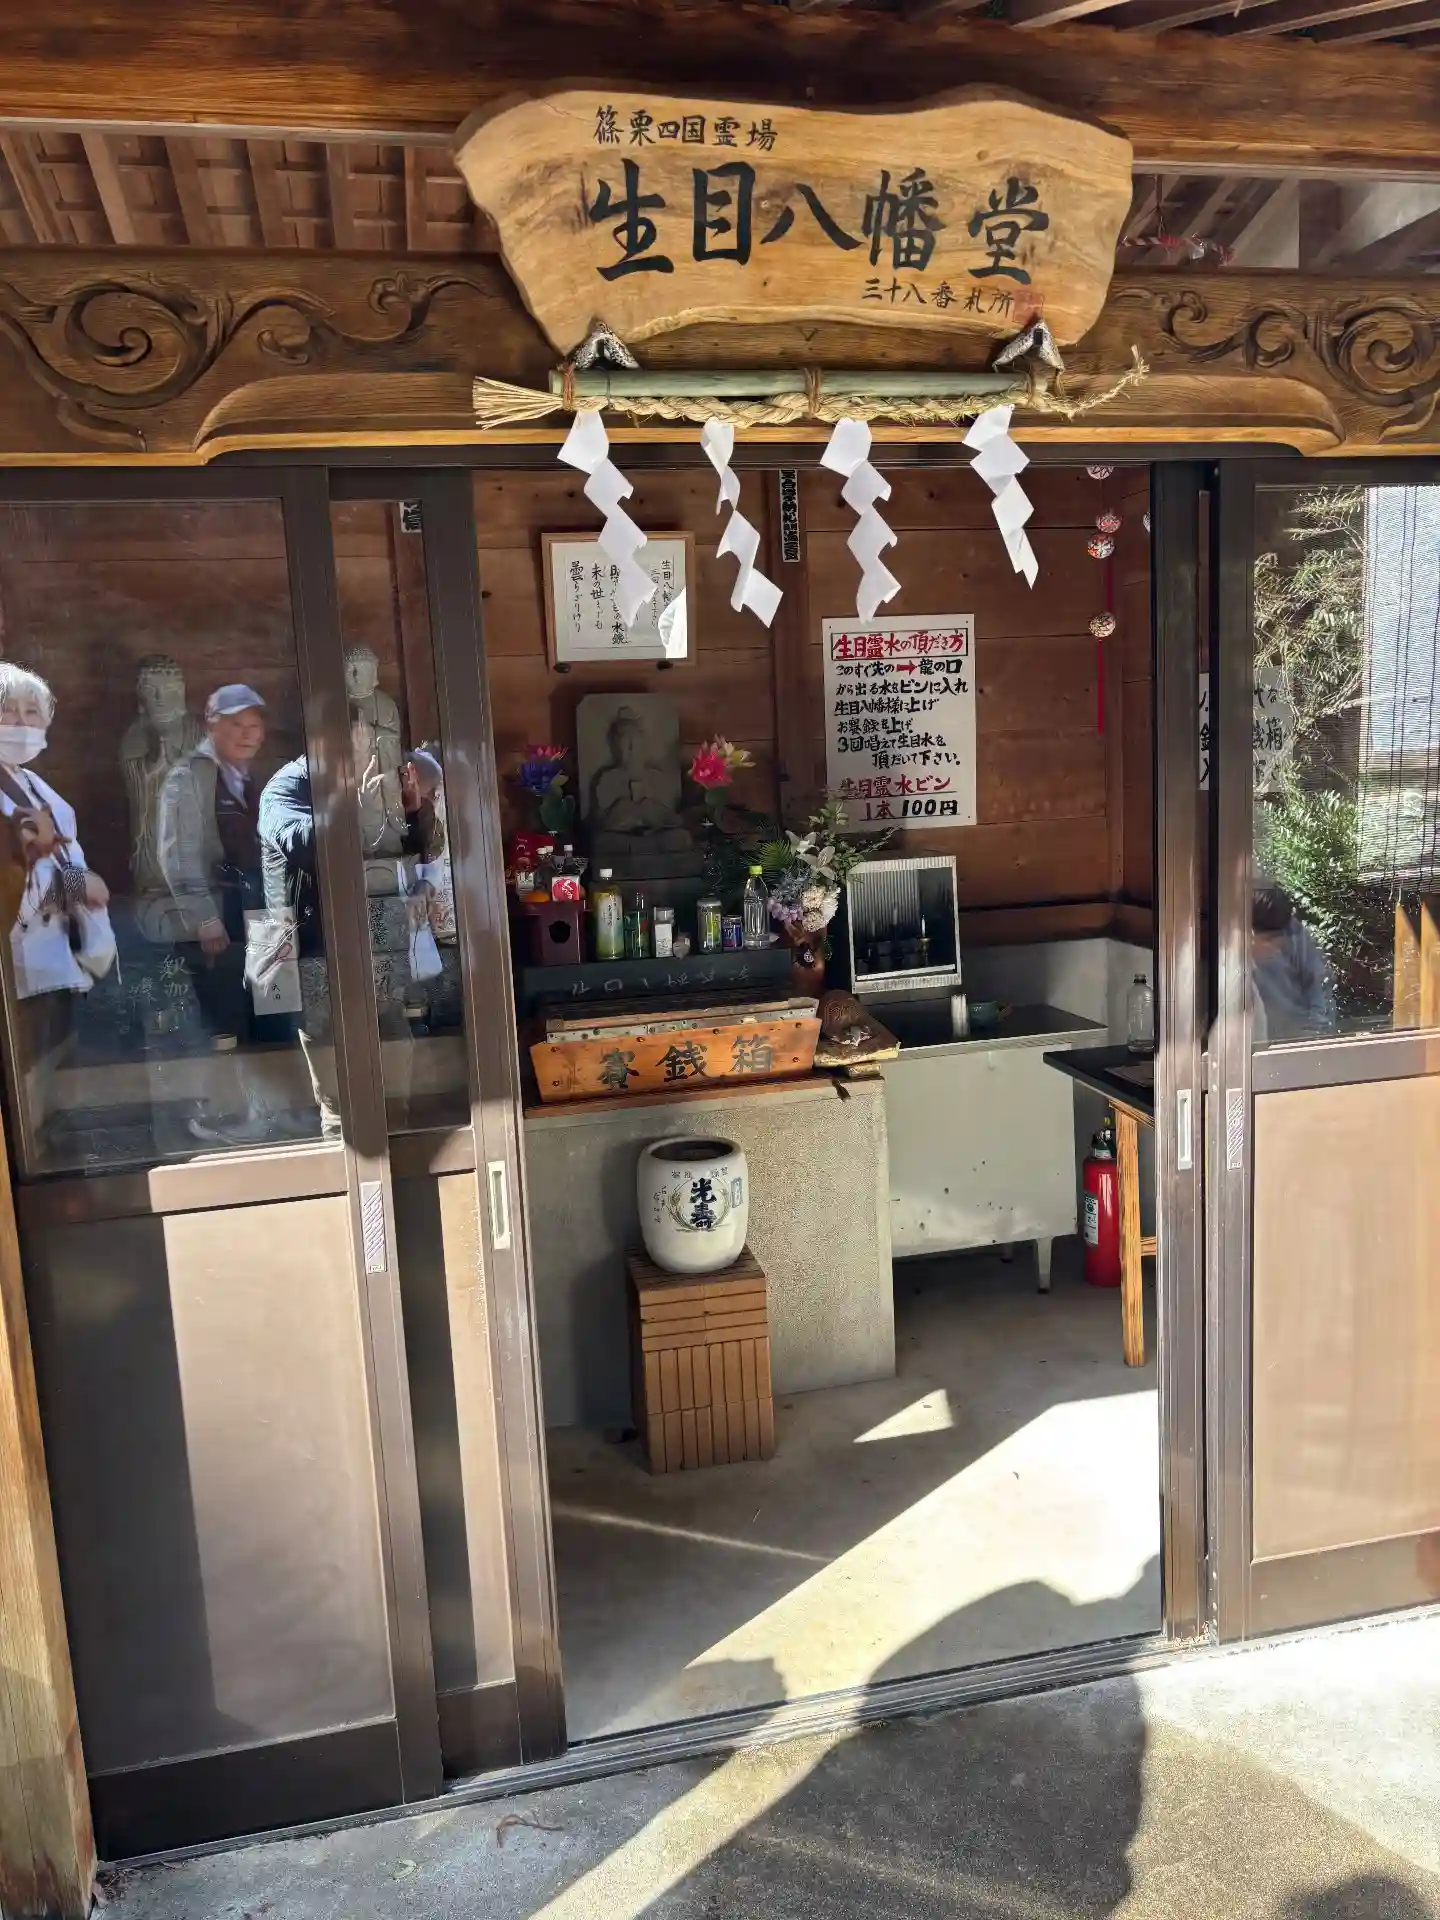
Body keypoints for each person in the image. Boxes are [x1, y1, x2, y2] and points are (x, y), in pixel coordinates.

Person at [258, 743, 444, 1134]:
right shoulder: (287, 786)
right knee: (335, 1081)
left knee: (393, 1045)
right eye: (359, 740)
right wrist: (357, 808)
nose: (369, 752)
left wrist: (413, 813)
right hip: (312, 944)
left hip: (376, 936)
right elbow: (302, 845)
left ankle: (397, 1132)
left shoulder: (375, 782)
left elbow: (418, 850)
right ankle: (340, 1144)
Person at [0, 662, 114, 1153]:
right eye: (7, 711)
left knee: (49, 1074)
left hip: (58, 962)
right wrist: (75, 885)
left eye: (32, 712)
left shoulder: (33, 785)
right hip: (17, 970)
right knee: (23, 1085)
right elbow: (13, 887)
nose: (21, 723)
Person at [157, 683, 269, 1048]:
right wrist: (203, 917)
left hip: (260, 908)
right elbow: (178, 853)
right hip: (221, 913)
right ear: (211, 724)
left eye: (254, 726)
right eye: (236, 724)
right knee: (226, 1019)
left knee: (269, 1009)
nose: (247, 734)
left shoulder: (251, 776)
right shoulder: (187, 777)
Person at [1251, 883, 1337, 1044]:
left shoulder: (1292, 930)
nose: (1279, 946)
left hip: (1296, 1040)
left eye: (1282, 937)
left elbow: (1319, 983)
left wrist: (1316, 1032)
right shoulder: (1225, 958)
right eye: (1270, 940)